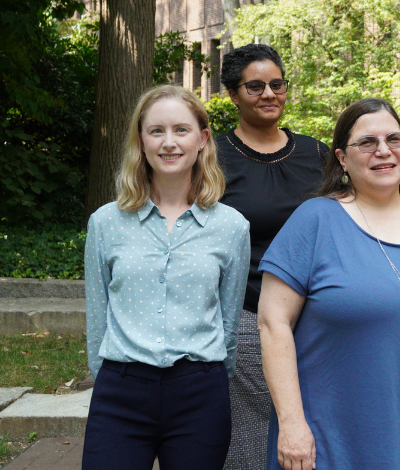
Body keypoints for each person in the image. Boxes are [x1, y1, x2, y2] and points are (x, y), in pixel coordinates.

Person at [257, 98, 400, 470]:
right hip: (332, 437)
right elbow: (272, 323)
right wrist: (292, 423)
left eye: (394, 139)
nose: (383, 151)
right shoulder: (315, 221)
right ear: (342, 158)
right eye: (367, 142)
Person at [83, 85, 251, 470]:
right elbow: (97, 317)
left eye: (181, 130)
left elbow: (227, 323)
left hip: (199, 396)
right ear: (140, 141)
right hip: (120, 393)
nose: (169, 142)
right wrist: (110, 378)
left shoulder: (231, 228)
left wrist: (206, 380)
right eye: (156, 130)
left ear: (202, 139)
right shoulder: (106, 223)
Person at [216, 43, 328, 470]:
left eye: (276, 84)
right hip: (247, 314)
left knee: (313, 430)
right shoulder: (214, 158)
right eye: (255, 86)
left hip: (318, 315)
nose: (268, 94)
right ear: (233, 94)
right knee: (253, 437)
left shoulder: (317, 155)